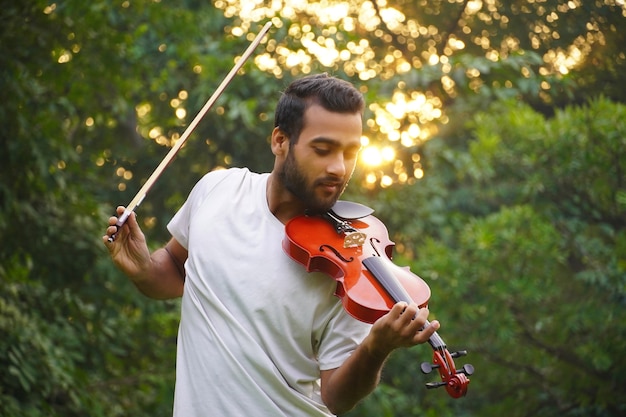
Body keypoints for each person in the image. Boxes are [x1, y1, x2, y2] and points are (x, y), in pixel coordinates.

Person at [103, 73, 440, 416]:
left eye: (350, 153)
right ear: (280, 141)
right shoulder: (218, 190)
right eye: (322, 150)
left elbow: (337, 397)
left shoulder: (352, 265)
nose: (338, 168)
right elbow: (177, 269)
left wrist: (376, 347)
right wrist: (144, 269)